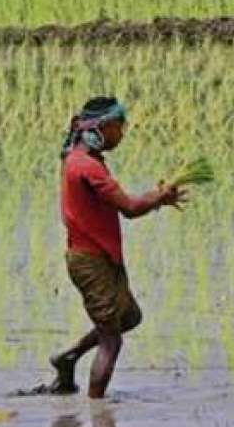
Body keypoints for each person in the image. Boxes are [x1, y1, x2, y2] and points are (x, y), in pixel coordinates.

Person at [46, 97, 187, 398]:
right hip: (91, 262)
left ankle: (67, 358)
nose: (122, 134)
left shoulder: (79, 159)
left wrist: (157, 196)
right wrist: (159, 197)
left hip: (102, 258)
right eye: (119, 127)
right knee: (112, 340)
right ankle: (97, 408)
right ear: (102, 127)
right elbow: (131, 208)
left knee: (129, 318)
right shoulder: (88, 167)